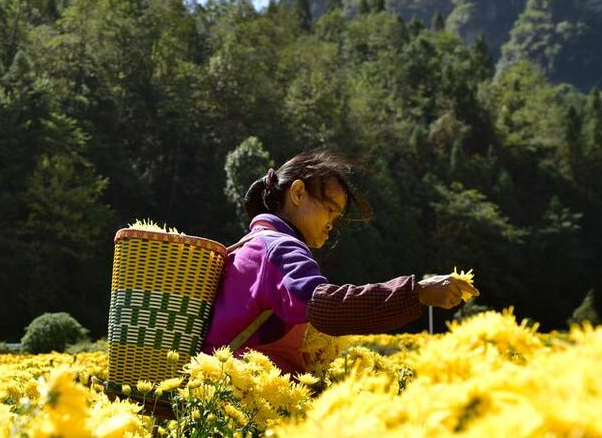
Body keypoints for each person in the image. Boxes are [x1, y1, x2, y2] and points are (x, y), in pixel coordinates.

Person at [203, 151, 478, 375]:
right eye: (330, 210)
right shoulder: (280, 247)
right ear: (297, 193)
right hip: (247, 408)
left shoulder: (250, 246)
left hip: (216, 391)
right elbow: (326, 307)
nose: (331, 226)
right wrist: (418, 291)